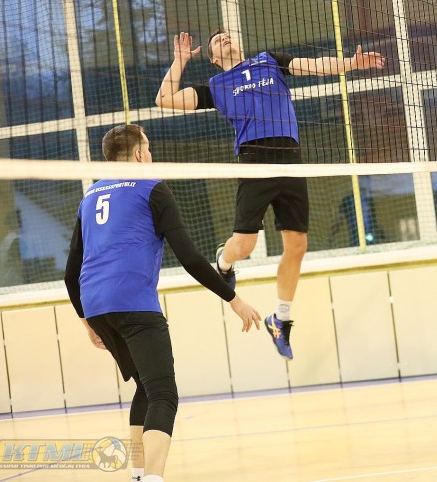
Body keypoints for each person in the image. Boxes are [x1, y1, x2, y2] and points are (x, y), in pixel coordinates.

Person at [154, 31, 384, 359]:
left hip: (290, 159)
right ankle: (224, 261)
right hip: (254, 162)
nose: (225, 39)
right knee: (244, 247)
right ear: (214, 59)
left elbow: (316, 65)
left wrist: (351, 64)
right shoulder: (216, 86)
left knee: (297, 245)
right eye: (217, 41)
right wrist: (179, 61)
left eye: (227, 35)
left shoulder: (269, 61)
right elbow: (164, 99)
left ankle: (281, 319)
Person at [64, 124, 262, 482]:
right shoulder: (152, 187)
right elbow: (189, 256)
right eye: (149, 148)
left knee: (145, 386)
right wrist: (233, 298)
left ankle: (138, 474)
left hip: (95, 304)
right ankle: (153, 477)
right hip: (132, 301)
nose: (151, 155)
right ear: (139, 154)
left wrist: (86, 321)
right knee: (163, 394)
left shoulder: (89, 196)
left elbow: (69, 273)